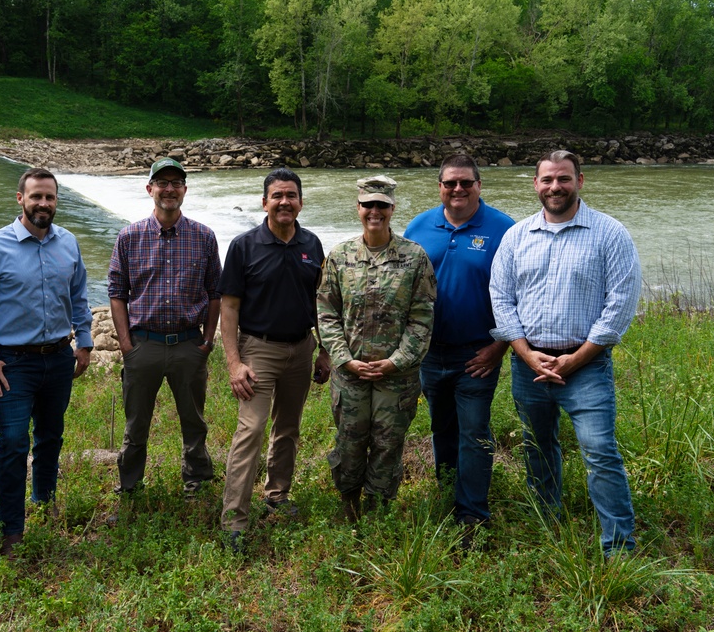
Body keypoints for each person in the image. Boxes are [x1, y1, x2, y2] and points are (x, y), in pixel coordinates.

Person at [489, 150, 641, 556]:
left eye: (564, 179)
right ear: (535, 184)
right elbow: (501, 298)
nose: (555, 186)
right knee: (538, 444)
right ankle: (547, 518)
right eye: (547, 179)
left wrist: (577, 359)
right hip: (529, 365)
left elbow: (620, 304)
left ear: (580, 181)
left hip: (586, 367)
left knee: (599, 451)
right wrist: (524, 353)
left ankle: (619, 547)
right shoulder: (516, 236)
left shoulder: (610, 233)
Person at [0, 167, 93, 556]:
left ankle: (44, 500)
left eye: (49, 197)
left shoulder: (68, 243)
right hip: (11, 364)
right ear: (20, 198)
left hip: (58, 359)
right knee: (14, 443)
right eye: (36, 196)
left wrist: (83, 343)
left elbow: (80, 296)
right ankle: (12, 532)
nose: (43, 204)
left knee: (51, 436)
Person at [219, 168, 331, 552]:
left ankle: (277, 495)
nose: (285, 202)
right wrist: (234, 362)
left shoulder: (312, 245)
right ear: (264, 202)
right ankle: (234, 519)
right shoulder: (244, 246)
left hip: (301, 349)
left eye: (291, 195)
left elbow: (322, 304)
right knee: (250, 430)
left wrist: (326, 350)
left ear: (301, 201)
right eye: (277, 195)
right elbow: (229, 308)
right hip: (258, 350)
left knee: (288, 427)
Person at [403, 155, 514, 536]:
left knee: (475, 431)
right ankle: (446, 488)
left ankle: (472, 514)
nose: (458, 190)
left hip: (478, 353)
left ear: (479, 185)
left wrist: (500, 346)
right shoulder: (419, 226)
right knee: (442, 427)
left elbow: (521, 294)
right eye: (450, 183)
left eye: (466, 182)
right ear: (440, 187)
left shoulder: (504, 229)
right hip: (429, 352)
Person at [316, 176, 436, 520]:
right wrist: (344, 360)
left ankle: (379, 512)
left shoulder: (414, 259)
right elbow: (326, 314)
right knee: (350, 443)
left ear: (392, 209)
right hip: (350, 376)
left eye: (382, 205)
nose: (375, 212)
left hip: (395, 378)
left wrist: (395, 362)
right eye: (368, 205)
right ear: (358, 209)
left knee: (387, 445)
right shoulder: (339, 257)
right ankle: (349, 505)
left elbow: (422, 318)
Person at [108, 158, 221, 496]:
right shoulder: (130, 236)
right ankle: (130, 485)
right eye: (162, 182)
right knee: (136, 423)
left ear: (184, 190)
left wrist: (207, 340)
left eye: (176, 183)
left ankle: (197, 481)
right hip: (144, 345)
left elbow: (216, 292)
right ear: (150, 189)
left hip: (189, 344)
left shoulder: (203, 236)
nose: (169, 189)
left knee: (194, 421)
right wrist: (126, 344)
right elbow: (116, 292)